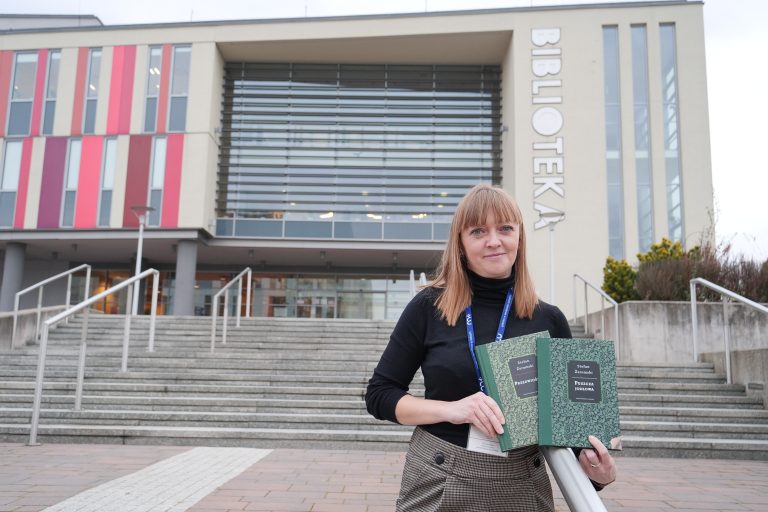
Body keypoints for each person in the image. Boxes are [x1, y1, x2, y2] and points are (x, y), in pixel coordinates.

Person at [365, 184, 616, 511]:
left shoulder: (549, 320)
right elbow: (380, 394)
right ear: (461, 244)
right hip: (440, 474)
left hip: (523, 482)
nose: (494, 240)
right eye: (479, 231)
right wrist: (454, 410)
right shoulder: (429, 307)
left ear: (520, 238)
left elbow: (568, 430)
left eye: (505, 228)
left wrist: (597, 472)